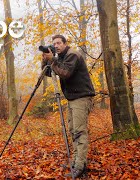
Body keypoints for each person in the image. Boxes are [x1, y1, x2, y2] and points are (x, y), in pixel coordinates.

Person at [41, 34, 95, 178]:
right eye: (54, 44)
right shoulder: (61, 58)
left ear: (65, 44)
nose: (56, 46)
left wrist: (52, 60)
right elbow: (48, 72)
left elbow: (65, 73)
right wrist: (45, 59)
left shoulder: (73, 55)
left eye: (59, 43)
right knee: (73, 130)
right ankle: (78, 162)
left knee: (79, 131)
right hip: (73, 98)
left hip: (82, 97)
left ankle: (79, 166)